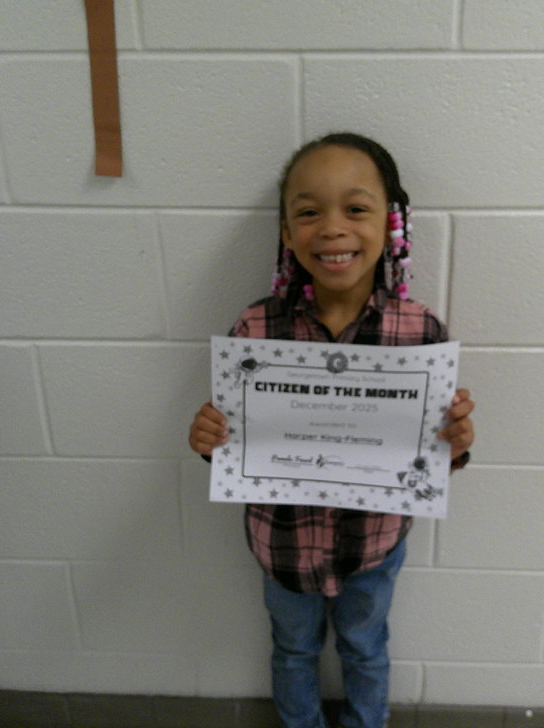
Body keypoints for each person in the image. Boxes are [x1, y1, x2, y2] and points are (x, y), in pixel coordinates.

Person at [188, 132, 475, 728]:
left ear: (391, 224)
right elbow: (238, 448)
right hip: (283, 546)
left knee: (366, 649)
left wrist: (454, 443)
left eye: (356, 208)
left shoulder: (420, 334)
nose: (333, 228)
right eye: (309, 212)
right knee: (292, 650)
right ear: (287, 232)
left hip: (373, 546)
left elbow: (429, 458)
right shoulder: (256, 327)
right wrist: (210, 440)